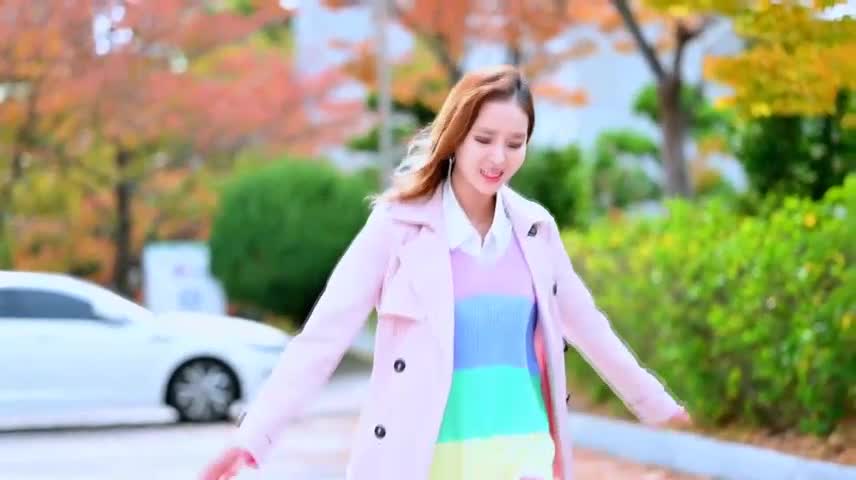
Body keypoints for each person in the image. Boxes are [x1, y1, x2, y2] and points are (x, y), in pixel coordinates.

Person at [199, 64, 690, 480]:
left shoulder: (535, 230)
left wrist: (662, 410)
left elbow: (590, 329)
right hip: (428, 462)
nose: (498, 157)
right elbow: (322, 339)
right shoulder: (396, 227)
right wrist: (253, 437)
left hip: (524, 457)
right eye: (484, 139)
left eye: (515, 143)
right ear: (455, 137)